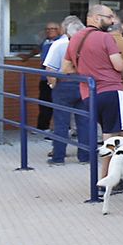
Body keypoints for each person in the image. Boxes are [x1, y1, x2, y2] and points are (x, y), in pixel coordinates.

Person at [64, 4, 123, 187]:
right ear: (95, 17)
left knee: (108, 134)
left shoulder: (75, 39)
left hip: (89, 94)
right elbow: (118, 65)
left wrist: (88, 72)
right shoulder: (106, 38)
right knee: (116, 136)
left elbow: (66, 68)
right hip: (111, 91)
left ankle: (108, 178)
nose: (112, 21)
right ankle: (108, 180)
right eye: (109, 17)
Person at [44, 15, 86, 164]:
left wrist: (52, 85)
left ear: (65, 30)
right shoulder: (88, 44)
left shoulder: (59, 44)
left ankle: (58, 157)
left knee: (61, 122)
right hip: (85, 84)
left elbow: (50, 68)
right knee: (85, 122)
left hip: (64, 84)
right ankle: (85, 156)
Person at [35, 22, 61, 131]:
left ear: (58, 30)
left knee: (56, 104)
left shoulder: (60, 42)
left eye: (52, 29)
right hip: (44, 78)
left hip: (55, 78)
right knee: (44, 103)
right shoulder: (45, 42)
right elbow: (37, 50)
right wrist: (26, 56)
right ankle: (42, 127)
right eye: (47, 29)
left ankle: (57, 129)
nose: (49, 31)